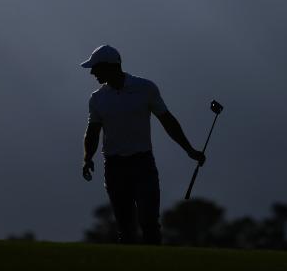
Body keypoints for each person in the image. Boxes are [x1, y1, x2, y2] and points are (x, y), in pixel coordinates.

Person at [80, 45, 205, 245]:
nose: (92, 72)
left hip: (142, 164)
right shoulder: (97, 98)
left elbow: (167, 121)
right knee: (125, 226)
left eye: (96, 68)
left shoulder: (145, 89)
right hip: (113, 166)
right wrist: (87, 158)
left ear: (110, 67)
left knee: (149, 221)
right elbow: (93, 132)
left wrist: (189, 149)